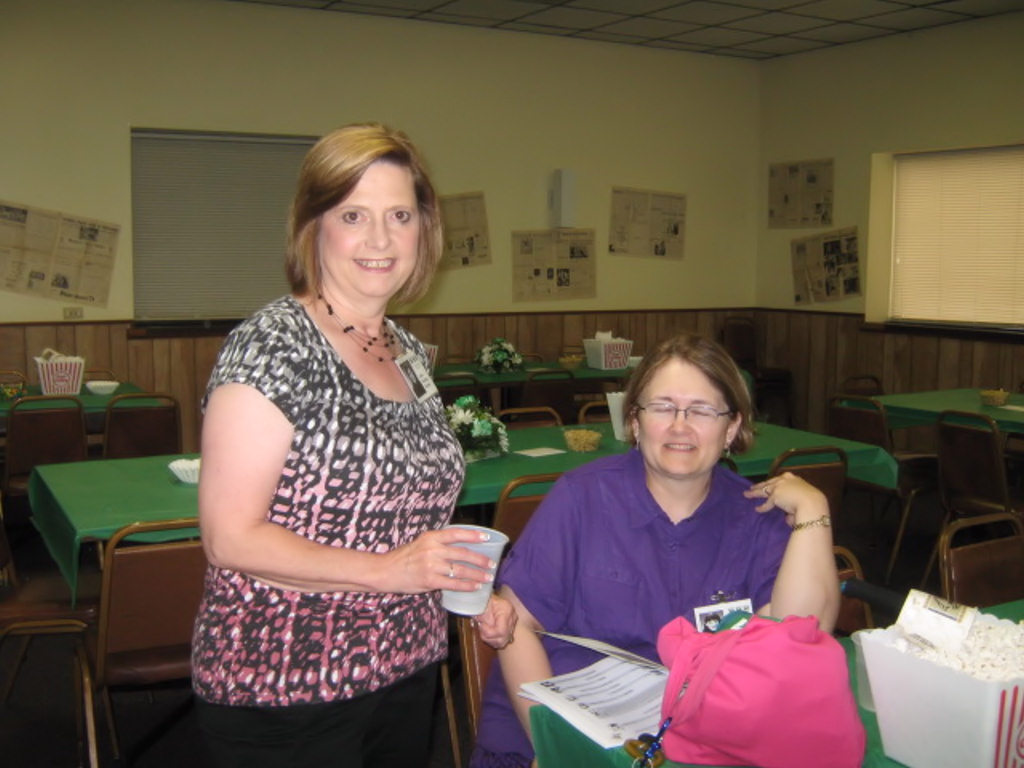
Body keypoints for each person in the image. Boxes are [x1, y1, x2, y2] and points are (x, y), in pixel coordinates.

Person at [192, 122, 515, 766]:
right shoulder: (275, 345)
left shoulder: (408, 352)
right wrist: (391, 571)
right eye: (353, 215)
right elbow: (230, 538)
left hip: (404, 668)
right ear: (313, 227)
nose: (379, 240)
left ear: (423, 229)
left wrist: (470, 584)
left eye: (399, 215)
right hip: (285, 685)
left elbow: (407, 516)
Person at [470, 333, 839, 767]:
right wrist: (556, 748)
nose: (680, 426)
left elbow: (804, 635)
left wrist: (814, 509)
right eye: (662, 407)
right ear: (634, 421)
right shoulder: (581, 498)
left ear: (731, 428)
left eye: (702, 410)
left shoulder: (755, 515)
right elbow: (516, 628)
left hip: (697, 741)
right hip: (558, 732)